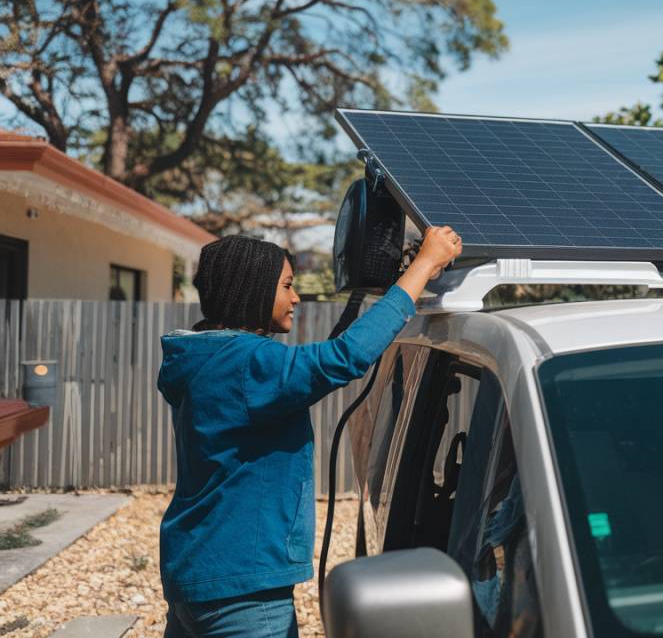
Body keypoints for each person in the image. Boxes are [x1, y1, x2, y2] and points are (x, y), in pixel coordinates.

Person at [157, 226, 462, 637]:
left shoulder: (203, 358)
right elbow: (347, 357)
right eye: (286, 286)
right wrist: (425, 264)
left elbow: (326, 361)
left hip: (193, 575)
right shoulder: (248, 364)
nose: (296, 297)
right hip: (244, 590)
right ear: (253, 290)